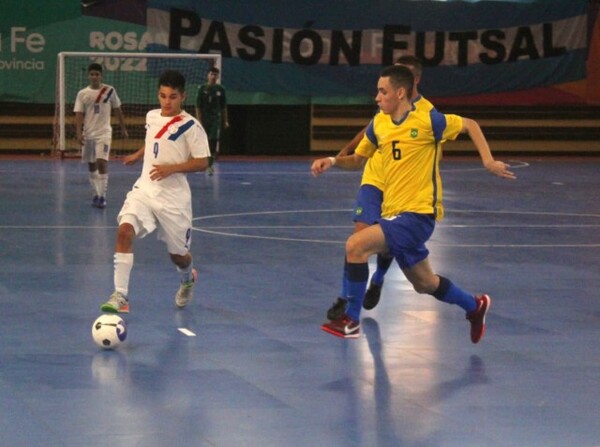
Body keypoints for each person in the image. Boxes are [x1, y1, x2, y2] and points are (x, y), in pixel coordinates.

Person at [311, 65, 516, 342]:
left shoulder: (428, 120)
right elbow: (358, 160)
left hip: (417, 216)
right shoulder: (380, 124)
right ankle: (475, 306)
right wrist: (333, 161)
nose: (377, 97)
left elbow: (470, 124)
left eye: (382, 92)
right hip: (394, 214)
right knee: (425, 283)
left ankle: (351, 320)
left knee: (355, 245)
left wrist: (488, 161)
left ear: (400, 93)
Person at [327, 55, 433, 320]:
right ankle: (345, 298)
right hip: (374, 179)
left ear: (413, 80)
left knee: (388, 243)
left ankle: (378, 279)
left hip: (401, 187)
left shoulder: (427, 114)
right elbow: (370, 129)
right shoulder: (386, 108)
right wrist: (343, 153)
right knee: (358, 238)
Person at [100, 69, 210, 313]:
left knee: (178, 256)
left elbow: (203, 162)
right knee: (124, 231)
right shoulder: (151, 116)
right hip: (145, 189)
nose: (166, 102)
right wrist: (138, 155)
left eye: (172, 97)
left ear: (183, 96)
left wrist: (172, 168)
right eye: (162, 96)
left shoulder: (191, 126)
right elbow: (154, 140)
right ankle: (120, 295)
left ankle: (187, 278)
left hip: (173, 199)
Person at [74, 63, 128, 208]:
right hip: (88, 133)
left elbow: (118, 110)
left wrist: (123, 128)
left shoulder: (110, 91)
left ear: (101, 76)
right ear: (88, 76)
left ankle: (103, 196)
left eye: (97, 74)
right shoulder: (82, 94)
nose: (94, 77)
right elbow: (79, 114)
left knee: (101, 162)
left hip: (104, 133)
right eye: (92, 74)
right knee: (91, 164)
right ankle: (96, 194)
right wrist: (78, 133)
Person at [195, 67, 228, 175]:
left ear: (218, 76)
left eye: (215, 75)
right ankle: (201, 162)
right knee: (202, 141)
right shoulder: (202, 88)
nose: (213, 76)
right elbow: (198, 106)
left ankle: (210, 165)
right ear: (208, 75)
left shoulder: (220, 89)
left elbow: (223, 106)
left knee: (213, 141)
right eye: (211, 74)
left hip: (215, 119)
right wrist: (199, 120)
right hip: (204, 119)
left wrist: (225, 120)